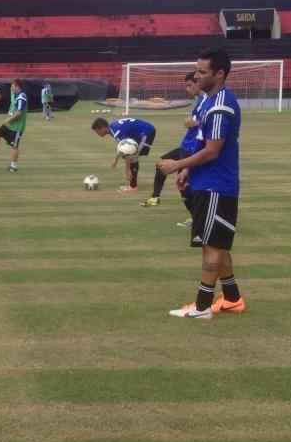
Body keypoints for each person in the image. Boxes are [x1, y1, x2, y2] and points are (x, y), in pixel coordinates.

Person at [158, 49, 245, 319]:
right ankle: (232, 299)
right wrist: (187, 173)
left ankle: (202, 306)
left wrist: (178, 165)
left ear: (219, 74)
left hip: (217, 186)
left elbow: (212, 150)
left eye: (202, 72)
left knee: (212, 246)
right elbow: (199, 140)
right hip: (206, 182)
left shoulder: (220, 106)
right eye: (196, 70)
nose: (197, 76)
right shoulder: (208, 101)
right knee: (216, 242)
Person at [142, 72, 207, 215]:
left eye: (190, 85)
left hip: (191, 148)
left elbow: (206, 123)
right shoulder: (200, 101)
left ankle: (197, 217)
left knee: (183, 185)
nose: (187, 89)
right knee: (161, 164)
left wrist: (195, 122)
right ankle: (155, 197)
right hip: (186, 146)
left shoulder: (206, 101)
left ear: (198, 83)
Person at [91, 116, 157, 192]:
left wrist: (127, 171)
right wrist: (116, 159)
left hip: (147, 132)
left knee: (133, 157)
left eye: (97, 131)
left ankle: (133, 187)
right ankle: (133, 185)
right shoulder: (113, 127)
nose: (97, 134)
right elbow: (122, 146)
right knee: (132, 156)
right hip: (142, 132)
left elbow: (126, 151)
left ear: (102, 128)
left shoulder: (116, 131)